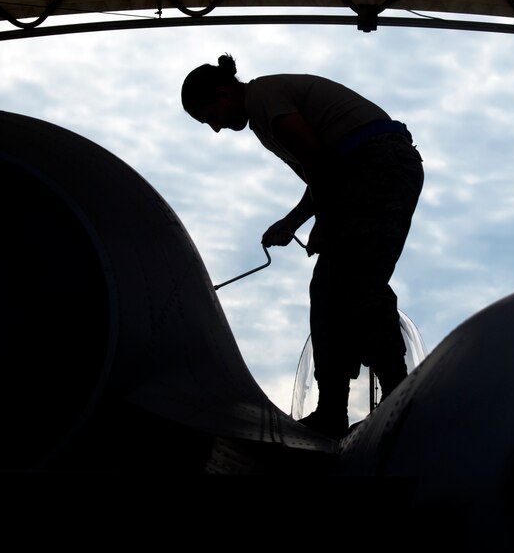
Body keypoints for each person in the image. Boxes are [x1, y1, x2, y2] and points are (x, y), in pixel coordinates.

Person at [181, 53, 424, 439]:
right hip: (363, 169)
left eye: (209, 116)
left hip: (380, 164)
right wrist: (292, 222)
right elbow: (322, 169)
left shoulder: (262, 99)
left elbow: (319, 160)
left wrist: (324, 222)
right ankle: (331, 412)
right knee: (328, 289)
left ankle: (400, 396)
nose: (215, 129)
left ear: (223, 93)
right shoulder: (264, 112)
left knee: (356, 280)